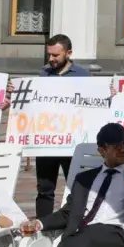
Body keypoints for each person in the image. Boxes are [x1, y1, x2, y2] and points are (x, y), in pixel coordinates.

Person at [33, 34, 81, 218]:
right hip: (47, 142)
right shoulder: (43, 74)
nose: (51, 59)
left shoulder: (84, 75)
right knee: (44, 189)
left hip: (72, 142)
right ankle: (42, 227)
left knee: (76, 187)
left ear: (68, 53)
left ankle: (74, 223)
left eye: (56, 55)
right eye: (49, 55)